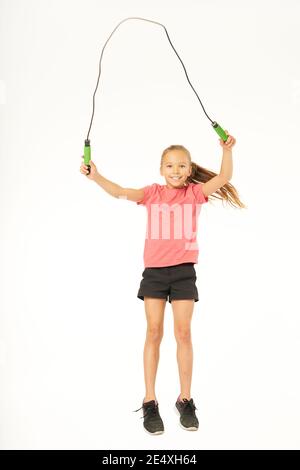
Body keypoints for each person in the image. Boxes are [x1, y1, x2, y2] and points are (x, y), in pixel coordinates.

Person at [79, 131, 245, 435]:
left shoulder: (195, 194)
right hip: (155, 272)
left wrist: (227, 150)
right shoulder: (152, 193)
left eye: (182, 166)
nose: (176, 171)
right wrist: (96, 176)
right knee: (153, 332)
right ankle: (150, 401)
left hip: (183, 272)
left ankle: (185, 400)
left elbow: (224, 176)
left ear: (190, 169)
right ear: (160, 169)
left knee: (183, 333)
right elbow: (120, 191)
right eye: (170, 166)